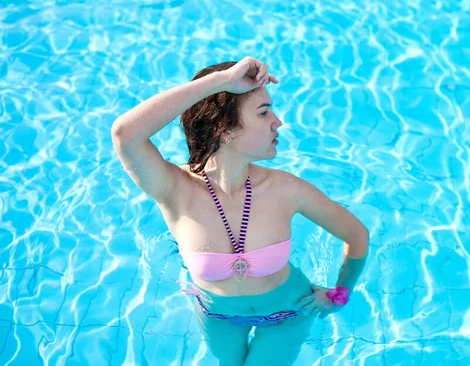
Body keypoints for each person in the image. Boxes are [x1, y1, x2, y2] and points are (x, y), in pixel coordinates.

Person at [111, 56, 369, 365]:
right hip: (218, 317)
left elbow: (356, 235)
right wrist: (220, 81)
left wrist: (339, 295)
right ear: (225, 129)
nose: (278, 122)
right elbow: (125, 134)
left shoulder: (285, 189)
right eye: (264, 112)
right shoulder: (175, 190)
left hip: (288, 313)